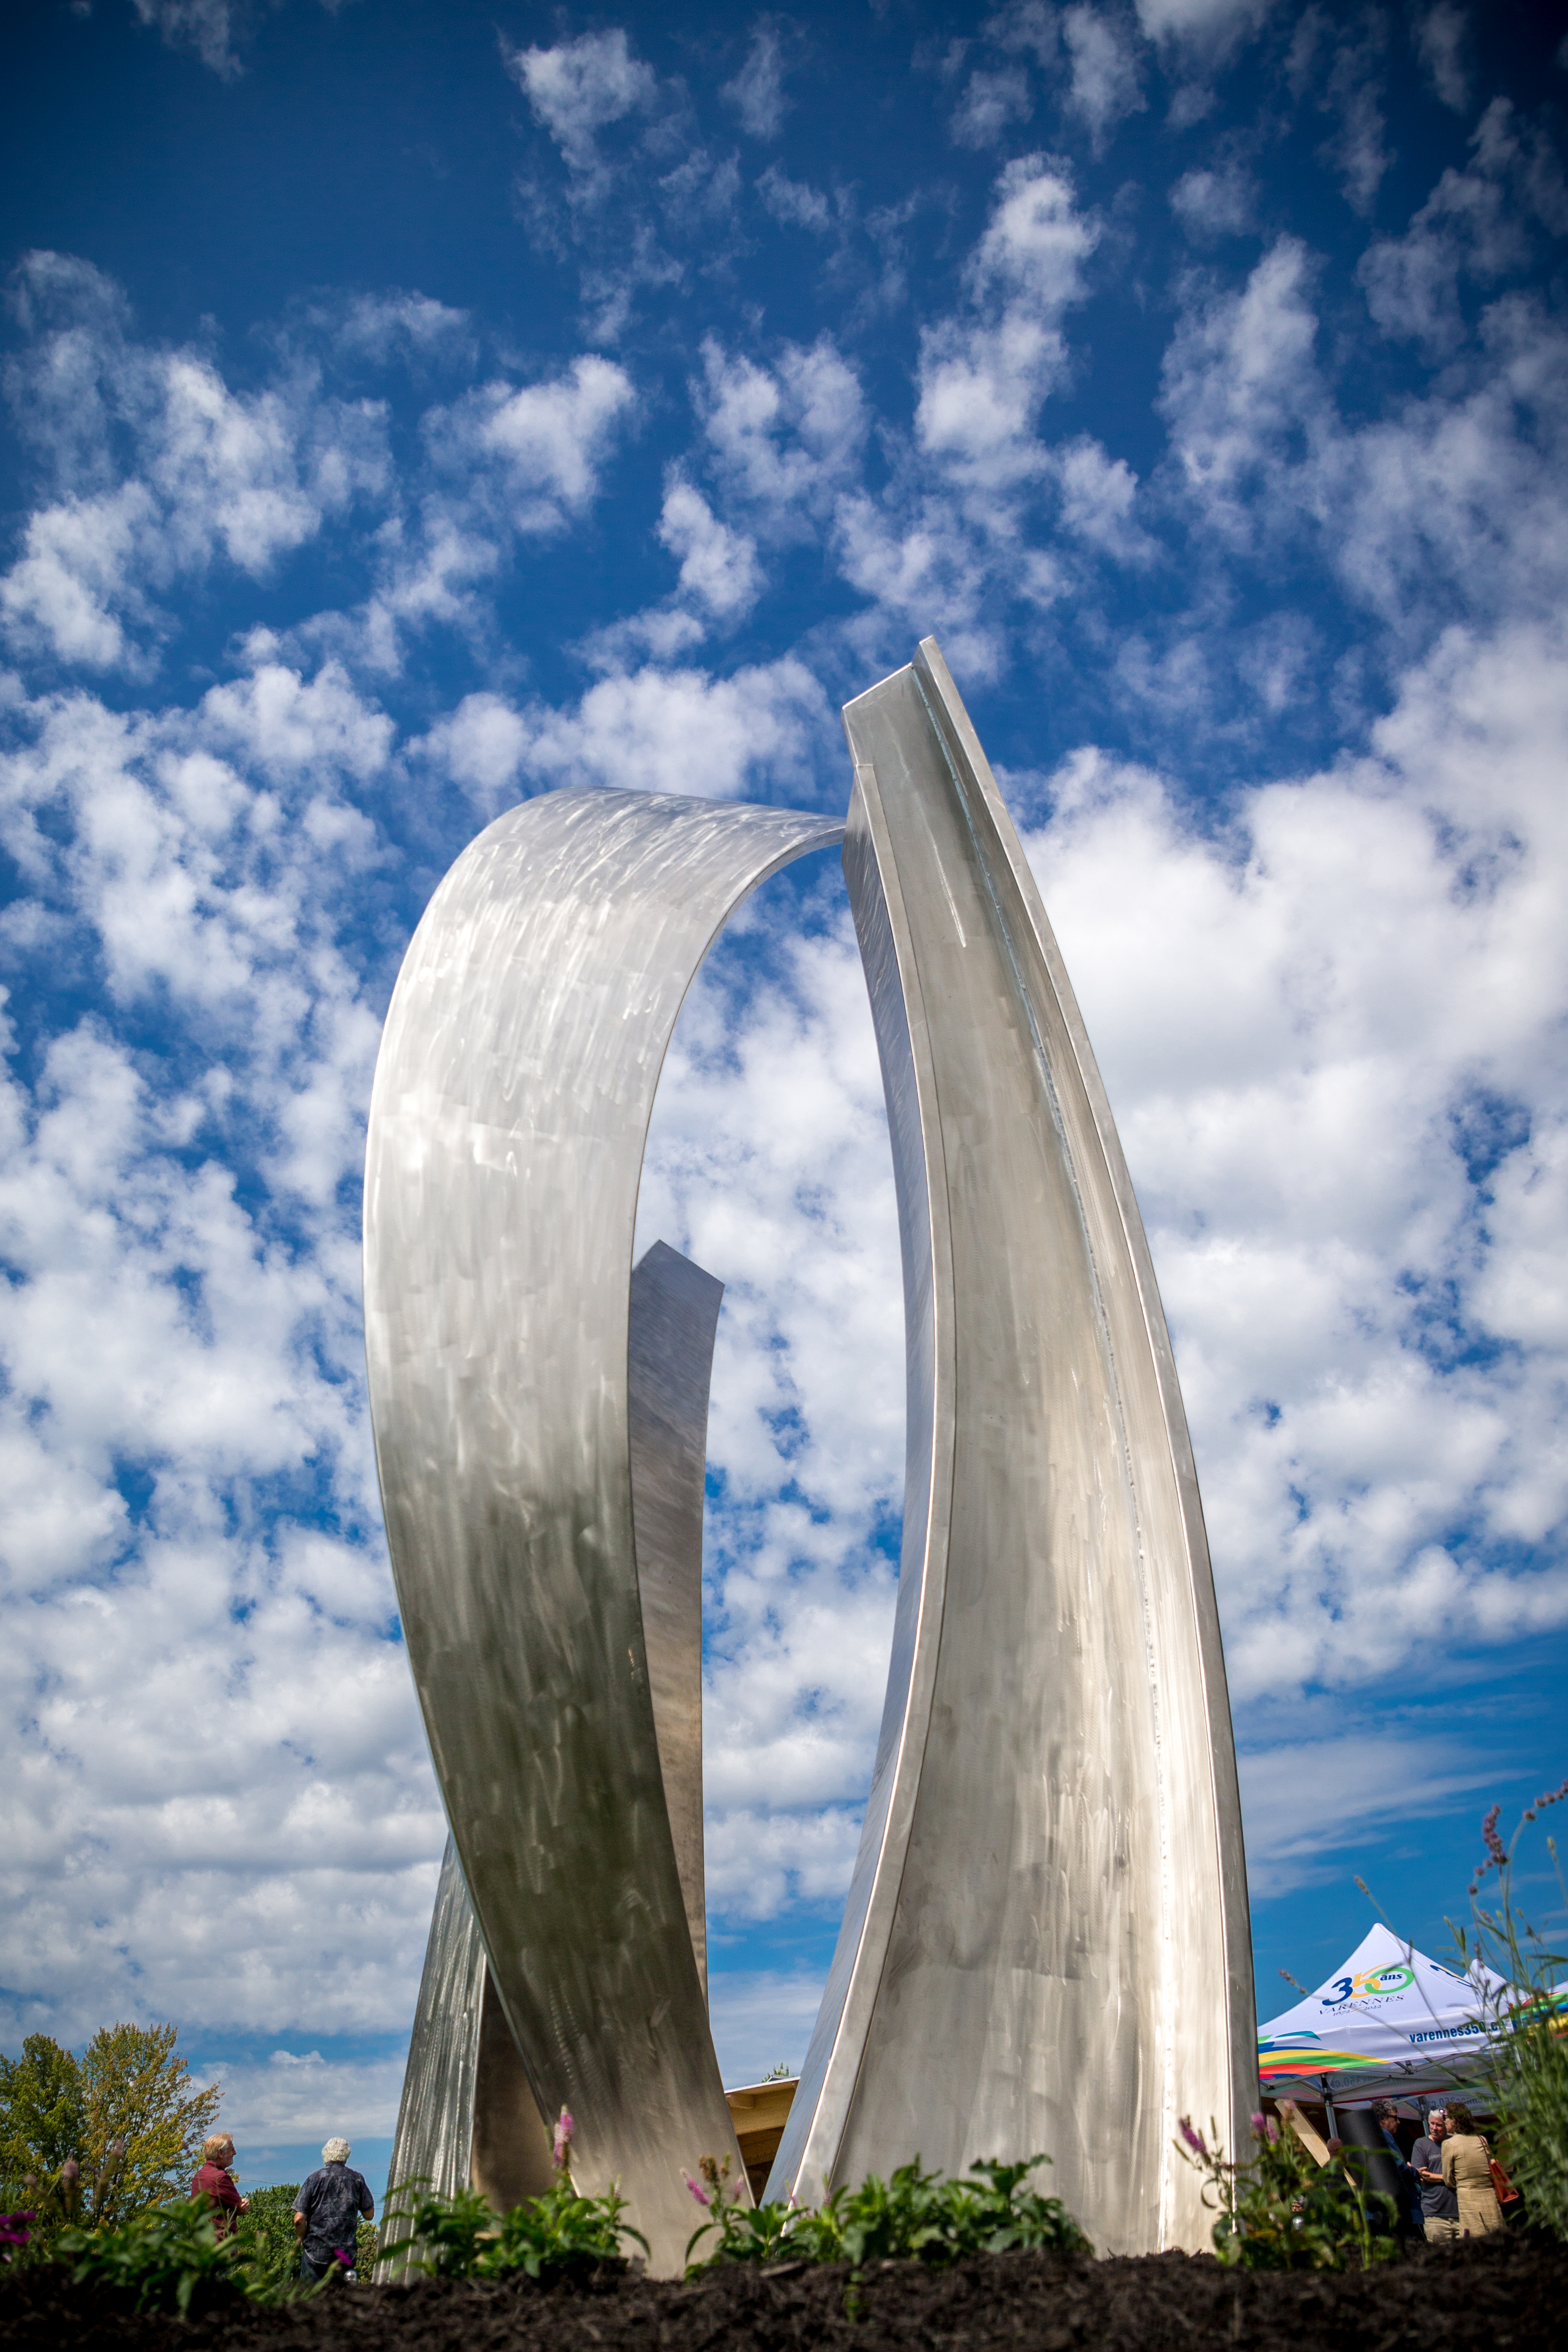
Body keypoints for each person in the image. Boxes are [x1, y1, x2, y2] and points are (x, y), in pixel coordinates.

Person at [292, 2137, 375, 2282]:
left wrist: (303, 2239)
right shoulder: (357, 2180)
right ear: (346, 2156)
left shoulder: (314, 2179)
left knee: (309, 2301)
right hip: (344, 2255)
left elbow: (299, 2219)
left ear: (325, 2155)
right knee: (345, 2301)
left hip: (316, 2253)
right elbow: (369, 2214)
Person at [1441, 2101, 1505, 2236]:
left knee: (1474, 2242)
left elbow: (1448, 2180)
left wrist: (1459, 2180)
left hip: (1468, 2201)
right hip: (1490, 2200)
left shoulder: (1449, 2144)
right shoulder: (1482, 2140)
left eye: (1445, 2117)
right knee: (1497, 2239)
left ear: (1454, 2120)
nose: (1444, 2121)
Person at [1371, 2099, 1424, 2239]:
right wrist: (1416, 2172)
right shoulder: (1384, 2135)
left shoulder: (1373, 2136)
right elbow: (1398, 2167)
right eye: (1395, 2117)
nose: (1399, 2122)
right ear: (1383, 2119)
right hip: (1404, 2209)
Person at [1411, 2106, 1460, 2244]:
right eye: (1432, 2124)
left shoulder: (1454, 2142)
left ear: (1447, 2126)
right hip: (1435, 2216)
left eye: (1439, 2125)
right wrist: (1448, 2179)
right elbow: (1422, 2174)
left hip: (1459, 2213)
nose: (1434, 2128)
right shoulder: (1422, 2144)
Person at [189, 2134, 249, 2239]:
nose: (234, 2153)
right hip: (221, 2245)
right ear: (220, 2153)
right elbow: (239, 2208)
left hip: (200, 2243)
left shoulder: (198, 2177)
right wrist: (244, 2203)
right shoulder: (220, 2178)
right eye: (232, 2150)